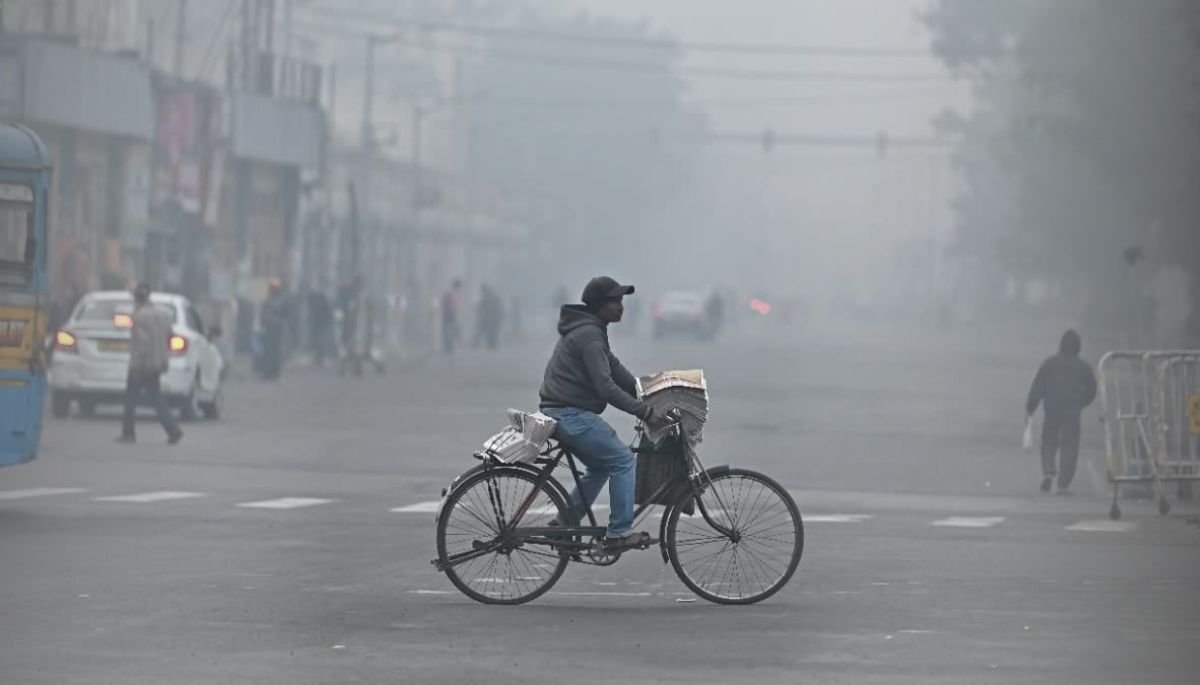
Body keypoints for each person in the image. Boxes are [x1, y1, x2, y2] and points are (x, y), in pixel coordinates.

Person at [539, 276, 663, 550]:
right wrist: (644, 412)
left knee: (600, 466)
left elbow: (616, 371)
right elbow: (606, 387)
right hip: (569, 413)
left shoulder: (592, 331)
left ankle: (564, 523)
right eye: (614, 301)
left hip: (561, 410)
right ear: (599, 305)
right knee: (622, 460)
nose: (620, 306)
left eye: (621, 301)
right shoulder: (590, 336)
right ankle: (619, 533)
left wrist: (650, 393)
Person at [1026, 329, 1097, 494]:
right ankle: (1063, 484)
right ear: (1078, 347)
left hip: (1052, 408)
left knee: (1049, 441)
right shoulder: (1084, 367)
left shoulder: (1049, 363)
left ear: (1061, 345)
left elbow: (1038, 387)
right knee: (1070, 446)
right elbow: (1092, 390)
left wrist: (1030, 408)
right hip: (1072, 411)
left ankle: (1048, 470)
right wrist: (1081, 403)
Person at [117, 283, 182, 445]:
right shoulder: (163, 315)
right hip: (157, 364)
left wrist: (135, 365)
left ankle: (128, 433)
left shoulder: (138, 317)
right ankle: (173, 430)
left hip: (141, 365)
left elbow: (142, 343)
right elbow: (170, 336)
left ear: (136, 298)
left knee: (130, 399)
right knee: (156, 398)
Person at [259, 279, 287, 380]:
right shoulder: (268, 300)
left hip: (277, 329)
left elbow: (285, 314)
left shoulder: (281, 300)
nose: (273, 290)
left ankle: (274, 373)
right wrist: (264, 321)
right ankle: (268, 372)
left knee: (275, 351)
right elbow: (263, 313)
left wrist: (275, 320)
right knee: (268, 351)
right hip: (269, 329)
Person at [473, 284, 504, 350]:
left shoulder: (489, 298)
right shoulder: (493, 298)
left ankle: (491, 345)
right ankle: (491, 345)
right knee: (491, 333)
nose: (483, 293)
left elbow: (481, 307)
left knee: (489, 333)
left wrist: (477, 309)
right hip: (491, 319)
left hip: (490, 319)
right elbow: (481, 307)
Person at [441, 279, 464, 355]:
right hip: (450, 314)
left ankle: (450, 346)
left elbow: (445, 303)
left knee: (449, 330)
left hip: (448, 314)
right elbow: (456, 304)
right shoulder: (452, 293)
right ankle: (452, 345)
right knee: (452, 330)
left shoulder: (450, 293)